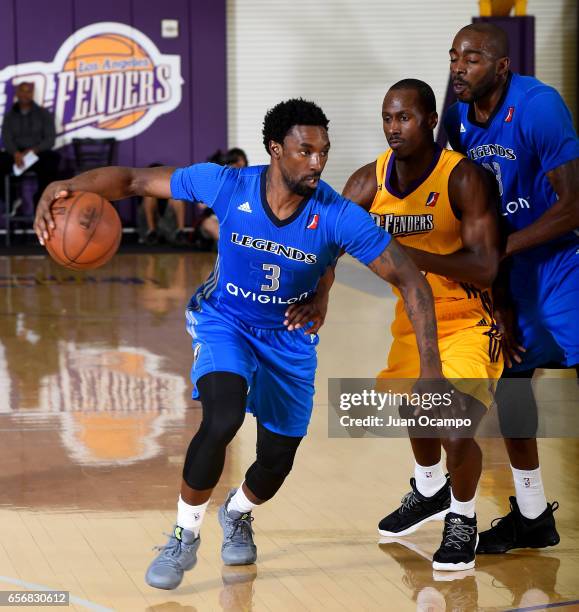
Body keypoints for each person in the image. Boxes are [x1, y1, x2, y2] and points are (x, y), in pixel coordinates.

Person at [34, 98, 445, 590]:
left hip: (288, 338)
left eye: (324, 152)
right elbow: (134, 180)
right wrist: (66, 187)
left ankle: (239, 511)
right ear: (275, 149)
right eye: (305, 151)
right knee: (222, 415)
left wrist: (431, 369)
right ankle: (184, 535)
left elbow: (410, 281)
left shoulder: (336, 214)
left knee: (277, 460)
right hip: (223, 320)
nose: (317, 162)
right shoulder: (228, 185)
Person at [302, 80, 502, 570]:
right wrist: (319, 295)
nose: (394, 127)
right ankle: (430, 488)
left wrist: (406, 255)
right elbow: (329, 242)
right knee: (417, 412)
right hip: (413, 320)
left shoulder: (463, 178)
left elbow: (486, 267)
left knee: (454, 425)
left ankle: (463, 518)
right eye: (388, 118)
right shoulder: (370, 181)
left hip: (469, 318)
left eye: (405, 118)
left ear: (431, 121)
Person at [444, 22, 578, 554]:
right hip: (511, 268)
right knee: (513, 385)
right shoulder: (457, 119)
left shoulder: (540, 107)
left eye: (472, 59)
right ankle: (531, 515)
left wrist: (501, 250)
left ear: (501, 67)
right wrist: (493, 285)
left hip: (562, 258)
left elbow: (573, 205)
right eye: (454, 56)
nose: (459, 67)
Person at [0, 82, 59, 210]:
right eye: (22, 91)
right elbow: (6, 138)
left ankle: (42, 202)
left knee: (53, 160)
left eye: (28, 91)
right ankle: (11, 200)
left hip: (38, 153)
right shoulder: (9, 116)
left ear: (32, 94)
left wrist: (34, 150)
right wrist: (15, 153)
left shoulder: (43, 113)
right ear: (17, 94)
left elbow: (50, 139)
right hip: (16, 155)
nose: (25, 94)